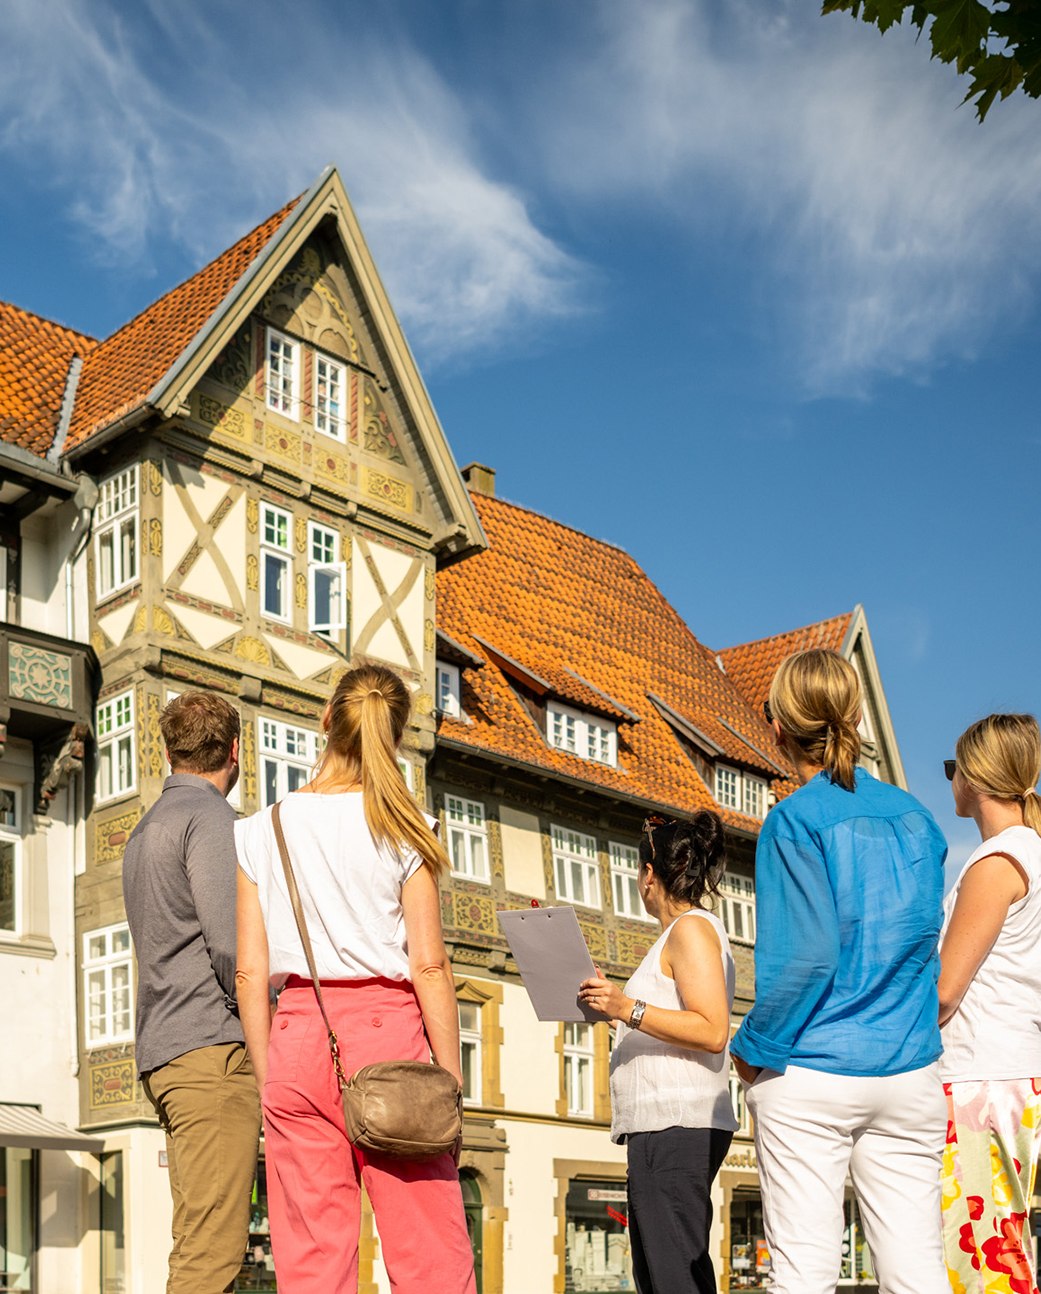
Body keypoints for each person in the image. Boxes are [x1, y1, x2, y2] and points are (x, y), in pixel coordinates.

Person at [234, 662, 476, 1294]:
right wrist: (450, 1085)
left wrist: (269, 1077)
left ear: (325, 720)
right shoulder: (404, 827)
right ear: (392, 737)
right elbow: (429, 965)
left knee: (312, 1262)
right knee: (429, 1255)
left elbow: (250, 972)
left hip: (295, 1035)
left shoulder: (261, 830)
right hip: (387, 1035)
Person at [730, 648, 949, 1294]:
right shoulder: (919, 819)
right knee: (917, 1274)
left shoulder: (792, 820)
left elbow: (806, 958)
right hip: (908, 1068)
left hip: (813, 1066)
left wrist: (750, 1047)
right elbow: (922, 943)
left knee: (803, 1274)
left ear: (776, 727)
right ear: (854, 717)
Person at [122, 690, 261, 1294]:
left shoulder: (145, 828)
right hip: (212, 1050)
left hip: (166, 1049)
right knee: (213, 1249)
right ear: (236, 752)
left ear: (169, 751)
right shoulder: (212, 820)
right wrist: (269, 1018)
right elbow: (231, 946)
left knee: (196, 1237)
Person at [579, 810, 737, 1294]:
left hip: (675, 1123)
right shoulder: (679, 934)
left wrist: (626, 1007)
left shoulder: (691, 929)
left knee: (674, 1276)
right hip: (662, 1124)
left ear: (649, 874)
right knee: (660, 1273)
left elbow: (712, 1029)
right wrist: (614, 1010)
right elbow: (671, 1023)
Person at [938, 713, 1041, 1294]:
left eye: (952, 768)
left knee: (978, 1260)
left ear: (974, 777)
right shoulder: (1032, 854)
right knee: (1002, 1247)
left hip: (979, 1076)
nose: (950, 780)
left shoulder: (996, 861)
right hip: (1012, 1073)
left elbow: (944, 991)